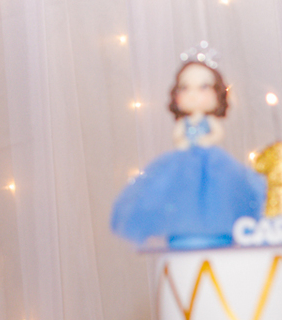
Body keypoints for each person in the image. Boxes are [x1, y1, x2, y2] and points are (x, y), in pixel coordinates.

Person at [111, 53, 265, 249]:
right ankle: (183, 228)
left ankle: (215, 229)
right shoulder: (184, 122)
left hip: (212, 162)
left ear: (218, 93)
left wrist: (206, 140)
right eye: (185, 88)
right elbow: (178, 136)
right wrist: (182, 142)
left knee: (215, 193)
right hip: (184, 162)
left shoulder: (209, 121)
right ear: (176, 94)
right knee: (181, 192)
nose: (193, 94)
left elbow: (217, 134)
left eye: (203, 87)